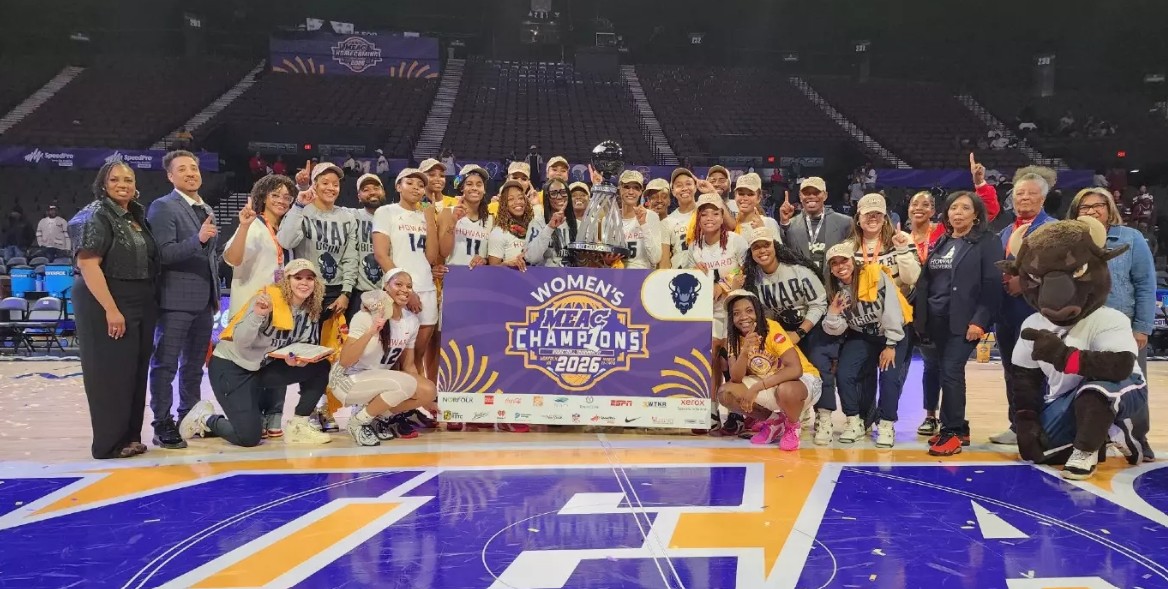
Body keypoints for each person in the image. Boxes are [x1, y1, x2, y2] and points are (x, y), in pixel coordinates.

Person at [180, 259, 333, 447]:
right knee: (249, 438)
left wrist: (298, 360)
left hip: (260, 368)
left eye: (309, 278)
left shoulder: (311, 308)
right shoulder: (267, 299)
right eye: (298, 277)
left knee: (320, 366)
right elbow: (242, 341)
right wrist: (258, 315)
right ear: (286, 280)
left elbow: (300, 346)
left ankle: (299, 426)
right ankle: (205, 418)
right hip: (231, 367)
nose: (304, 282)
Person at [69, 161, 160, 459]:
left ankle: (130, 437)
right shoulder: (94, 214)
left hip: (139, 298)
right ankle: (108, 443)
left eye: (129, 179)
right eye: (115, 179)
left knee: (134, 372)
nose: (123, 184)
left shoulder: (135, 214)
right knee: (110, 374)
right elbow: (87, 263)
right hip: (106, 298)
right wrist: (111, 309)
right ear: (103, 183)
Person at [1066, 188, 1156, 458]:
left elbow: (1144, 284)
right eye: (1085, 207)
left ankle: (1138, 438)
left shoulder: (1131, 238)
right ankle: (1092, 440)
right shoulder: (1069, 241)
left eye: (1098, 206)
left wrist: (1142, 327)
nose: (1092, 211)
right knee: (1083, 384)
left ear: (1110, 210)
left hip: (1123, 327)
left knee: (1132, 384)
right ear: (1075, 212)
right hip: (1081, 328)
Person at [915, 191, 1004, 456]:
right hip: (937, 321)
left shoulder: (987, 242)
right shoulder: (943, 240)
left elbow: (992, 285)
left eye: (965, 208)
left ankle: (951, 431)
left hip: (965, 322)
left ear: (976, 214)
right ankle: (961, 428)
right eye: (954, 208)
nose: (958, 213)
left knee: (952, 373)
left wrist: (980, 321)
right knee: (945, 372)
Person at [146, 150, 220, 450]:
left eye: (194, 168)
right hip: (175, 300)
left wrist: (214, 294)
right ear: (170, 175)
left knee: (193, 368)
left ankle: (187, 416)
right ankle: (161, 423)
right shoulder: (163, 207)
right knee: (165, 365)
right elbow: (162, 254)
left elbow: (210, 259)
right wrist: (198, 239)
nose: (191, 173)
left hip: (203, 301)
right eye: (182, 169)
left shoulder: (207, 208)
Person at [280, 161, 360, 432]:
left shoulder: (347, 216)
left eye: (335, 183)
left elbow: (351, 256)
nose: (330, 187)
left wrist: (347, 292)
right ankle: (308, 409)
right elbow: (286, 241)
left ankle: (325, 407)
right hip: (307, 292)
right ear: (314, 184)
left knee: (334, 355)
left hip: (337, 292)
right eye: (324, 182)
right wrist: (299, 206)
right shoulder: (303, 211)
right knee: (309, 354)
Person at [741, 226, 833, 444]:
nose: (762, 251)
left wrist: (801, 332)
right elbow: (766, 313)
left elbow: (819, 303)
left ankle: (825, 417)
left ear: (775, 246)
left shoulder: (798, 271)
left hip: (810, 326)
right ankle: (789, 415)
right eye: (756, 247)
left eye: (766, 245)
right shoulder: (756, 280)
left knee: (820, 365)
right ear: (751, 253)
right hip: (783, 330)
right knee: (784, 371)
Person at [222, 174, 296, 438]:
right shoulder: (254, 226)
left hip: (277, 310)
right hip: (250, 311)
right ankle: (248, 416)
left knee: (274, 363)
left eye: (287, 197)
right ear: (263, 196)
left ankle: (273, 416)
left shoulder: (284, 232)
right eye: (275, 195)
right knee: (250, 364)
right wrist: (242, 226)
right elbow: (232, 258)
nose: (282, 201)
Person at [332, 270, 439, 445]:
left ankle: (374, 416)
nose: (405, 289)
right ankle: (358, 421)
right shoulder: (365, 317)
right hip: (347, 380)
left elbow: (409, 366)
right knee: (405, 383)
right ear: (385, 287)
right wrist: (372, 331)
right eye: (398, 284)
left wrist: (425, 399)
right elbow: (345, 361)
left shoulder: (411, 321)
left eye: (409, 286)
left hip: (379, 379)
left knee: (427, 390)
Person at [992, 166, 1058, 445]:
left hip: (1038, 313)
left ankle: (1047, 427)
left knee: (1042, 371)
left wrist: (1026, 283)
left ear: (1043, 199)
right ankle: (1017, 424)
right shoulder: (1005, 232)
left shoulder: (1054, 230)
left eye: (1031, 194)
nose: (1025, 199)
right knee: (1011, 370)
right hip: (1006, 314)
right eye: (1019, 194)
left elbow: (1060, 273)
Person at [822, 242, 910, 447]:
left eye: (843, 260)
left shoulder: (874, 275)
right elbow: (836, 328)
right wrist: (833, 314)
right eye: (834, 263)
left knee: (889, 376)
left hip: (893, 332)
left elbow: (892, 309)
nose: (840, 266)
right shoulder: (835, 289)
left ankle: (887, 424)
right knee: (844, 373)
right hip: (863, 335)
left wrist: (890, 345)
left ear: (853, 260)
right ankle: (854, 421)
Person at [719, 290, 822, 451]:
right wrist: (745, 351)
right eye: (736, 313)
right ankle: (775, 422)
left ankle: (792, 425)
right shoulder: (733, 338)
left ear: (758, 312)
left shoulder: (771, 328)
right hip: (771, 382)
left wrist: (757, 387)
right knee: (726, 392)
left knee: (786, 389)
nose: (743, 317)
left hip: (804, 382)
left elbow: (796, 369)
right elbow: (736, 378)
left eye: (749, 311)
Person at [373, 168, 441, 383]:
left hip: (427, 289)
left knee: (416, 356)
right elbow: (381, 255)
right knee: (393, 357)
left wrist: (430, 220)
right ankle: (388, 407)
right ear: (398, 186)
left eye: (421, 185)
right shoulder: (386, 212)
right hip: (398, 292)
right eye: (409, 182)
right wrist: (405, 290)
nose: (416, 188)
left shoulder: (427, 215)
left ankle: (413, 404)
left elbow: (431, 257)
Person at [906, 190, 946, 436]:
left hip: (931, 309)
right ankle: (882, 416)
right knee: (895, 364)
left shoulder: (942, 233)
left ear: (933, 210)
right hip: (904, 308)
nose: (919, 207)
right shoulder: (901, 236)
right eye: (914, 203)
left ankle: (931, 415)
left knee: (932, 364)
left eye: (926, 204)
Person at [777, 177, 852, 274]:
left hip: (832, 285)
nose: (811, 196)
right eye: (806, 193)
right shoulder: (790, 225)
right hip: (803, 285)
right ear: (800, 196)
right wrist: (784, 223)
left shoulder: (844, 223)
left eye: (816, 192)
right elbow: (782, 253)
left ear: (825, 195)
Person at [346, 173, 387, 322]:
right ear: (358, 196)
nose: (372, 192)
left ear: (383, 192)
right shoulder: (352, 215)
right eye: (366, 189)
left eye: (376, 188)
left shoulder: (395, 217)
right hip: (360, 293)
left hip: (388, 292)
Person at [614, 170, 663, 270]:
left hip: (643, 276)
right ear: (620, 188)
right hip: (616, 277)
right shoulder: (610, 219)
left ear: (641, 191)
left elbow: (655, 258)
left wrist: (643, 224)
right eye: (626, 187)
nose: (631, 192)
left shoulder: (651, 217)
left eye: (636, 188)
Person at [525, 178, 578, 268]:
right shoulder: (538, 223)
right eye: (553, 194)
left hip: (572, 279)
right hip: (545, 278)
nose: (559, 196)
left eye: (563, 192)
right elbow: (531, 258)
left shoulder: (578, 225)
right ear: (547, 198)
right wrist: (549, 228)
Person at [488, 180, 533, 272]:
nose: (517, 202)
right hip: (509, 283)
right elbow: (492, 271)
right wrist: (506, 264)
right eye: (511, 199)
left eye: (521, 198)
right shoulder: (499, 232)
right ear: (504, 204)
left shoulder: (533, 227)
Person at [732, 173, 780, 237]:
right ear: (735, 196)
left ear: (759, 198)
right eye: (741, 194)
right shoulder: (730, 224)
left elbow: (778, 247)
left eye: (750, 194)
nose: (745, 198)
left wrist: (762, 231)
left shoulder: (768, 223)